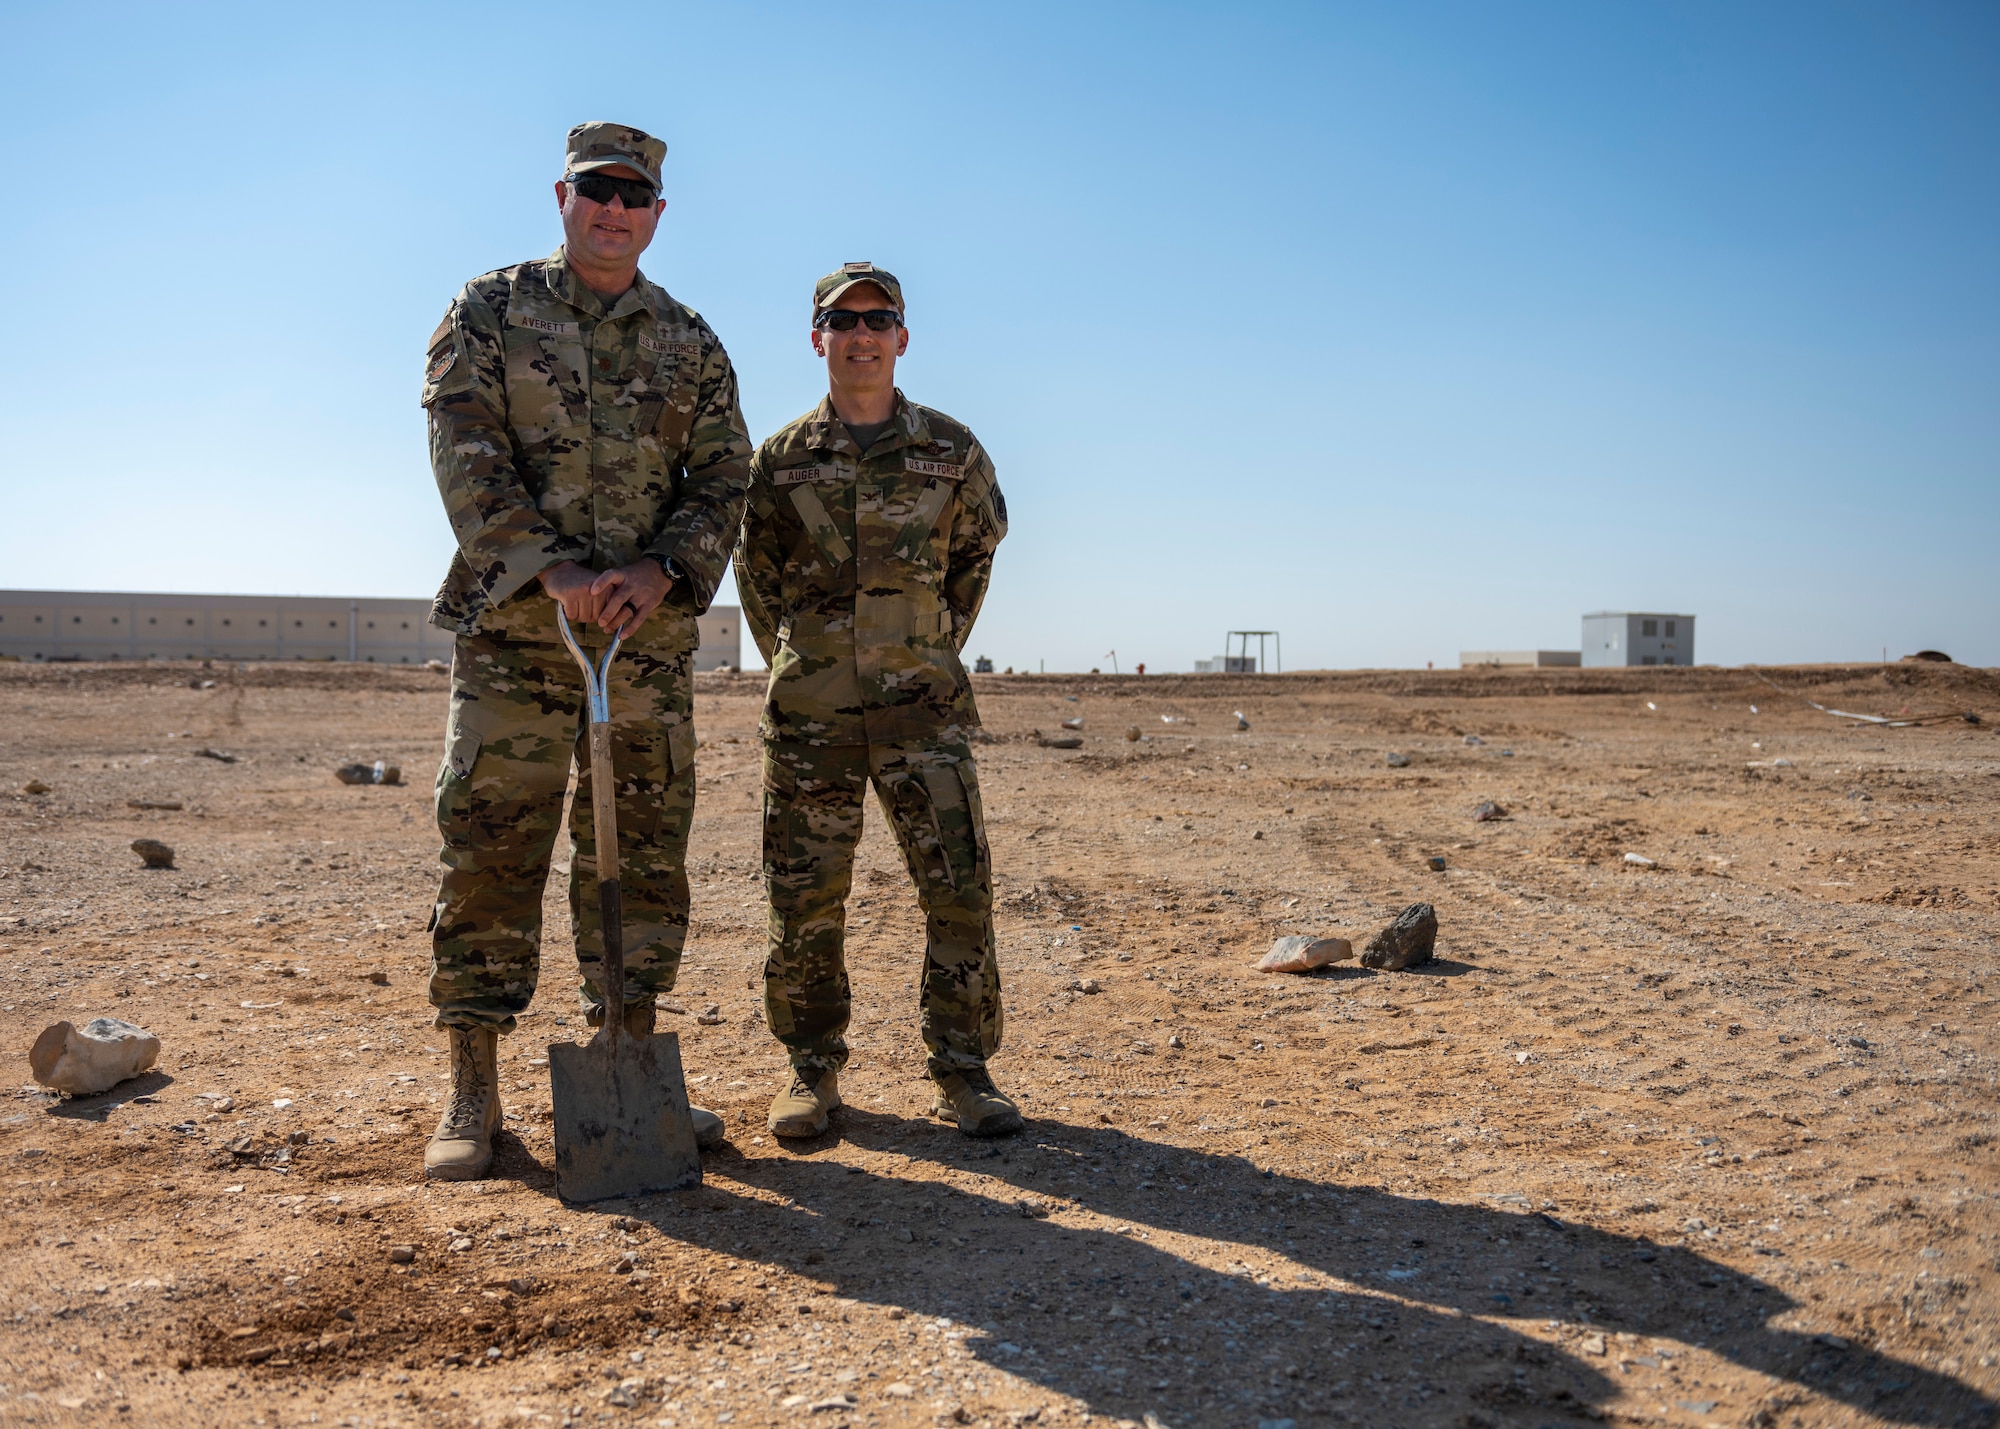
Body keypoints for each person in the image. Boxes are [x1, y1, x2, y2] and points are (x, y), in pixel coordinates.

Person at [419, 122, 751, 1179]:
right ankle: (474, 1087)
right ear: (561, 196)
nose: (614, 208)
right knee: (492, 844)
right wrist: (548, 568)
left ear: (659, 212)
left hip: (639, 644)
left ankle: (630, 1057)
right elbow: (460, 439)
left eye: (635, 194)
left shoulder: (688, 340)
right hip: (520, 632)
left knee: (641, 852)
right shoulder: (490, 308)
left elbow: (723, 474)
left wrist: (663, 570)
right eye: (597, 189)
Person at [733, 263, 1018, 1139]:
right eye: (842, 320)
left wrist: (923, 644)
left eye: (878, 318)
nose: (861, 334)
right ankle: (811, 1073)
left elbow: (975, 558)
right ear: (817, 337)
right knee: (805, 898)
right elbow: (758, 583)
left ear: (902, 336)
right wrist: (808, 657)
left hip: (922, 711)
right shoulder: (780, 464)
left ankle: (963, 1072)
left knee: (958, 890)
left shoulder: (951, 453)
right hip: (812, 717)